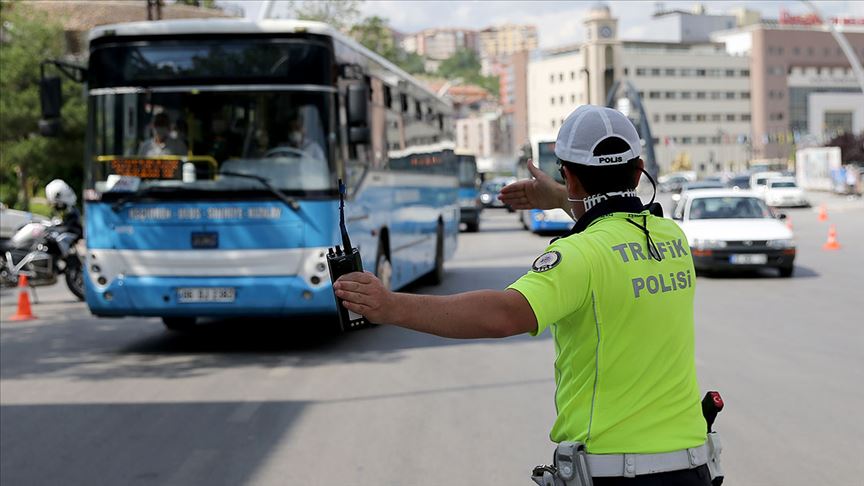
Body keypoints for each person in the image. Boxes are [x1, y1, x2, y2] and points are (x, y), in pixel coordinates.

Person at [334, 105, 713, 485]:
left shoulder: (579, 256)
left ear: (568, 174)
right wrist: (563, 196)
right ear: (639, 167)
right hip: (692, 466)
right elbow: (613, 216)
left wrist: (391, 305)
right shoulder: (671, 238)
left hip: (616, 472)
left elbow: (503, 315)